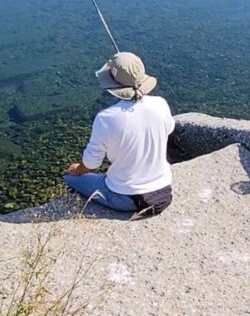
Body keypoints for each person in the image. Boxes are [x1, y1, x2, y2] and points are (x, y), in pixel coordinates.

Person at [63, 52, 175, 216]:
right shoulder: (161, 103)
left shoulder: (106, 118)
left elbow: (91, 164)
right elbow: (169, 129)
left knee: (70, 178)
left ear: (113, 83)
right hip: (164, 190)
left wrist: (77, 169)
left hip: (128, 199)